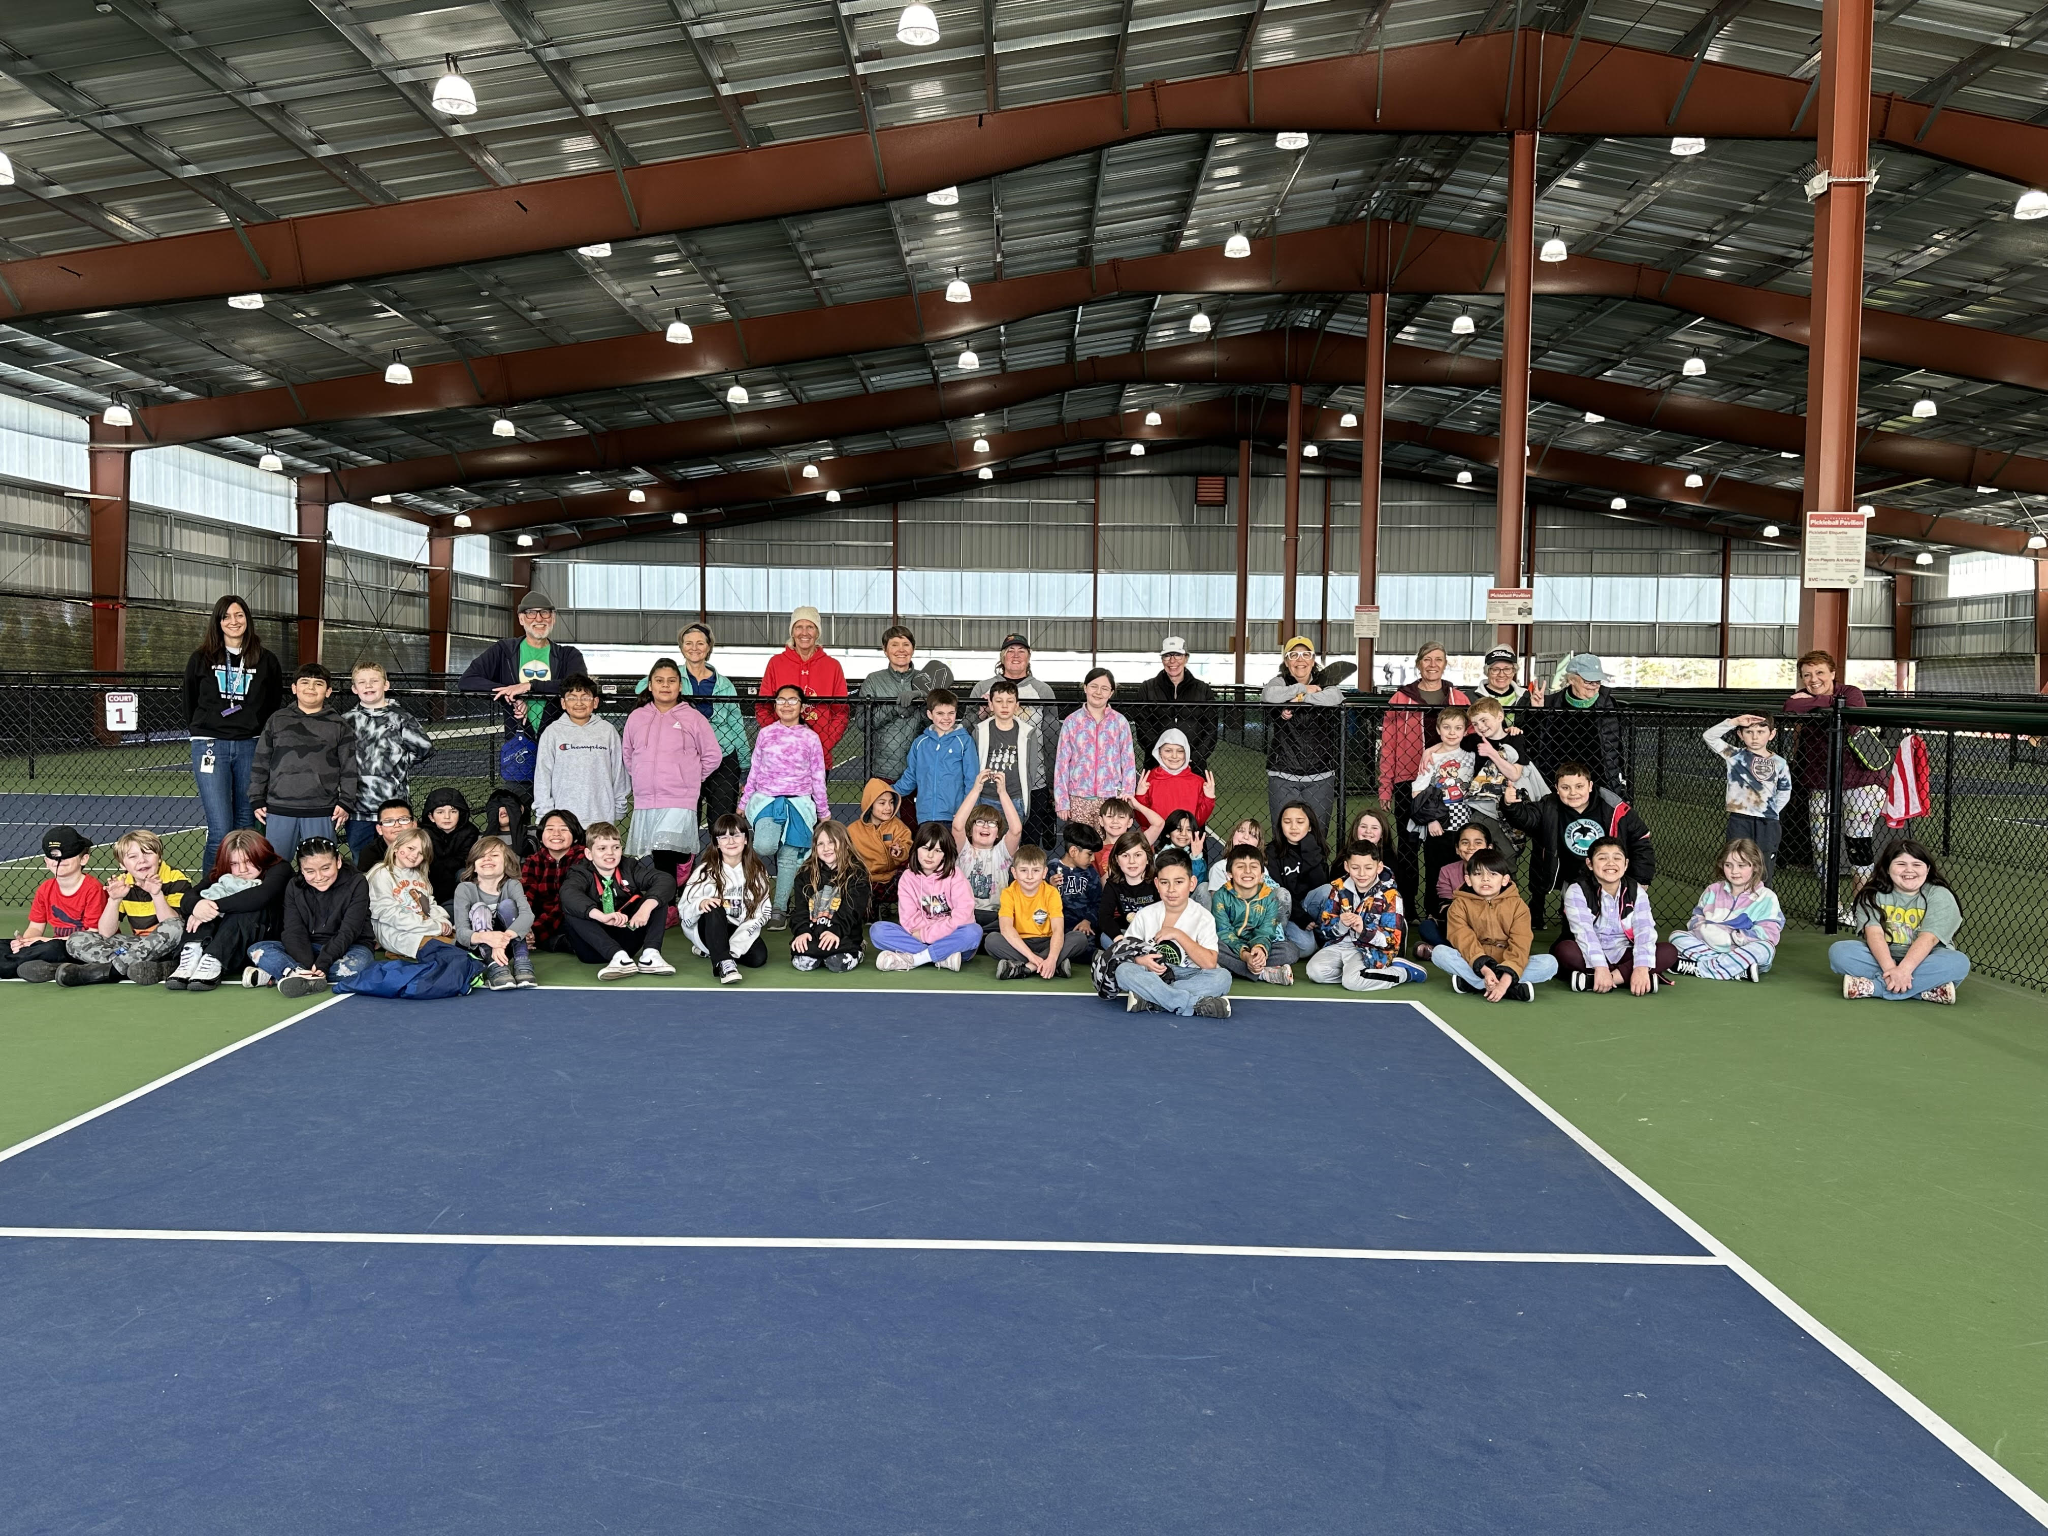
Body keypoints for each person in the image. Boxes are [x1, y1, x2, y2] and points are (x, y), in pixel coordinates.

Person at [182, 594, 285, 878]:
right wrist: (206, 728)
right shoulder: (200, 658)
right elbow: (190, 701)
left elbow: (273, 702)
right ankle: (208, 895)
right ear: (218, 622)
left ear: (247, 619)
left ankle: (244, 889)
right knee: (220, 828)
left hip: (251, 746)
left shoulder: (266, 660)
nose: (233, 621)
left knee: (246, 824)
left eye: (239, 615)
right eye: (226, 616)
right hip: (210, 745)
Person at [1785, 650, 1888, 907]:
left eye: (1819, 672)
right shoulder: (1802, 697)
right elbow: (1790, 706)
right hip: (1820, 781)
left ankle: (1860, 905)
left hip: (1862, 780)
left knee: (1858, 841)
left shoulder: (1851, 692)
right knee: (1821, 846)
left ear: (1832, 673)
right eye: (1807, 675)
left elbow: (1853, 717)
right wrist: (1828, 703)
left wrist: (1818, 703)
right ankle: (1831, 906)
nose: (1813, 679)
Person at [458, 589, 589, 786]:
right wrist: (511, 695)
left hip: (561, 746)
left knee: (561, 812)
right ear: (521, 619)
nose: (538, 618)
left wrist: (530, 686)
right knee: (515, 808)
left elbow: (577, 686)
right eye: (531, 613)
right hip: (519, 744)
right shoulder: (504, 651)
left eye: (545, 613)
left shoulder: (568, 655)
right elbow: (467, 681)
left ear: (552, 618)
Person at [1503, 762, 1654, 928]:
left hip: (1606, 875)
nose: (1573, 793)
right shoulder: (1549, 805)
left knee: (1614, 925)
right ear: (1557, 788)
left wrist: (1641, 878)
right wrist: (1511, 806)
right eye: (1566, 788)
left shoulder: (1612, 805)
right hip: (1571, 876)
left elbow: (1640, 839)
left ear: (1590, 786)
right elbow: (1527, 819)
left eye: (1579, 786)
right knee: (1574, 931)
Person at [1378, 640, 1470, 914]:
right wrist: (1386, 787)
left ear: (1445, 664)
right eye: (1427, 659)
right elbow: (1389, 744)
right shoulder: (1400, 698)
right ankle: (1407, 908)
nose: (1432, 665)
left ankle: (1440, 905)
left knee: (1443, 848)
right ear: (1419, 664)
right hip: (1410, 781)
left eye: (1438, 659)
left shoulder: (1459, 699)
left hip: (1449, 785)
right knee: (1409, 848)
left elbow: (1474, 738)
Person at [1829, 839, 1969, 1004]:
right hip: (1882, 957)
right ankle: (1925, 990)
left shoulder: (1939, 895)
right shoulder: (1872, 895)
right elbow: (1874, 935)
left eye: (1917, 864)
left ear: (1928, 869)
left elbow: (1929, 938)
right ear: (1888, 868)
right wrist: (1891, 969)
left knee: (1958, 962)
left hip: (1926, 958)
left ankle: (1873, 987)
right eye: (1901, 864)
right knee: (1840, 952)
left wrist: (1904, 970)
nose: (1909, 870)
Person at [621, 658, 723, 881]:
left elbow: (713, 755)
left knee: (664, 851)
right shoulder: (637, 717)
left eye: (671, 681)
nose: (665, 685)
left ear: (680, 686)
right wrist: (641, 774)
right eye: (659, 680)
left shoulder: (693, 718)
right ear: (650, 685)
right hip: (647, 798)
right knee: (661, 853)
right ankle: (674, 889)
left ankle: (666, 906)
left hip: (679, 798)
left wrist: (690, 778)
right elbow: (628, 753)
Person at [53, 829, 193, 987]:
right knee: (76, 939)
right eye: (133, 857)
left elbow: (173, 926)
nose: (142, 860)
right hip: (139, 946)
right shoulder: (123, 882)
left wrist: (156, 894)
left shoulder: (176, 879)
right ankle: (147, 966)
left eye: (148, 853)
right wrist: (114, 900)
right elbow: (106, 932)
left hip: (172, 947)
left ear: (159, 857)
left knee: (175, 926)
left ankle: (107, 971)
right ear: (122, 864)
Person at [249, 662, 358, 863]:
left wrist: (346, 802)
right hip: (279, 808)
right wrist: (256, 797)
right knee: (274, 869)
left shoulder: (339, 724)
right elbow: (261, 760)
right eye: (305, 682)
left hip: (321, 809)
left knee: (320, 868)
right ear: (294, 688)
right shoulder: (277, 720)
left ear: (328, 691)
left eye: (318, 684)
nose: (311, 688)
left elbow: (349, 767)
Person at [742, 684, 832, 922]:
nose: (787, 705)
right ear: (775, 705)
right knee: (764, 846)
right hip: (767, 802)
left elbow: (817, 776)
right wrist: (743, 802)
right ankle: (752, 896)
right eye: (781, 700)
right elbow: (755, 771)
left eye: (793, 700)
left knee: (788, 857)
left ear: (802, 706)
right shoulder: (765, 733)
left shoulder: (811, 737)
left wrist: (823, 811)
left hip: (799, 805)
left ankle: (779, 908)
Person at [246, 836, 374, 998]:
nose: (319, 877)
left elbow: (349, 931)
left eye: (326, 868)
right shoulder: (294, 886)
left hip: (350, 947)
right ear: (301, 869)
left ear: (338, 862)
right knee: (257, 949)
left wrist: (323, 963)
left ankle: (281, 972)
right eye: (310, 871)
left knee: (357, 967)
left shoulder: (357, 883)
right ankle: (298, 973)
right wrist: (306, 964)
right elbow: (293, 930)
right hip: (309, 947)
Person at [164, 829, 289, 993]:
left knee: (241, 907)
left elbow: (261, 896)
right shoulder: (223, 872)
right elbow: (188, 898)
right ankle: (192, 954)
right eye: (234, 864)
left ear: (262, 856)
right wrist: (198, 907)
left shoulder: (280, 868)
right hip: (227, 938)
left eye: (249, 861)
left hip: (262, 937)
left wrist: (212, 906)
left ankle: (214, 959)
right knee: (201, 908)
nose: (242, 869)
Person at [1112, 848, 1232, 1018]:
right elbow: (1126, 953)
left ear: (1192, 883)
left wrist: (1178, 934)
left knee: (1222, 978)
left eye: (1178, 882)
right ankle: (1191, 1004)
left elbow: (1209, 963)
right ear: (1156, 884)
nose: (1171, 889)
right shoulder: (1145, 915)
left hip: (1189, 974)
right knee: (1123, 971)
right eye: (1164, 882)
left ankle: (1153, 999)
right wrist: (1141, 960)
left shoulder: (1204, 917)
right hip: (1152, 974)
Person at [970, 633, 1062, 850]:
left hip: (1033, 780)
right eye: (1010, 650)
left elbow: (1051, 736)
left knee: (1028, 843)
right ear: (1002, 657)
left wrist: (1050, 780)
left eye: (1021, 651)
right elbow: (967, 728)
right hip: (990, 783)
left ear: (1029, 657)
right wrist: (982, 711)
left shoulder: (1043, 690)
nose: (1015, 655)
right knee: (989, 841)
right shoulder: (983, 687)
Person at [1554, 836, 1677, 994]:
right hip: (1587, 951)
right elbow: (1584, 933)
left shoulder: (1636, 891)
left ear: (1625, 864)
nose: (1610, 863)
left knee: (1668, 951)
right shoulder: (1577, 890)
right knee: (1564, 950)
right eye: (1602, 858)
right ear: (1590, 864)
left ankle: (1596, 980)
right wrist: (1600, 966)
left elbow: (1644, 930)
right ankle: (1630, 977)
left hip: (1624, 952)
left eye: (1617, 858)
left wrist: (1640, 967)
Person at [558, 820, 679, 980]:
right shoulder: (580, 872)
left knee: (656, 899)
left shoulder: (629, 867)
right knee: (572, 908)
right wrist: (601, 916)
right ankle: (617, 958)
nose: (610, 853)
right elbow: (568, 893)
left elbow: (665, 880)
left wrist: (645, 909)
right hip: (593, 947)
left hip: (626, 938)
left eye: (615, 848)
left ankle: (650, 955)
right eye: (602, 848)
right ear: (589, 854)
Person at [341, 662, 434, 866]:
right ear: (354, 688)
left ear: (386, 685)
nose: (368, 686)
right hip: (358, 808)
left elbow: (425, 747)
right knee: (362, 859)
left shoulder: (401, 718)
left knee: (402, 859)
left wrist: (398, 763)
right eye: (362, 682)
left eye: (374, 680)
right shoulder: (346, 721)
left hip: (394, 809)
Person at [1433, 847, 1553, 1001]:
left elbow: (1520, 943)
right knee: (1440, 953)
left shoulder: (1518, 906)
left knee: (1550, 964)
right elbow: (1462, 939)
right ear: (1468, 879)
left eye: (1493, 874)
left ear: (1505, 880)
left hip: (1507, 961)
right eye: (1477, 874)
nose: (1485, 879)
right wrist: (1485, 970)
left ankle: (1474, 984)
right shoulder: (1459, 905)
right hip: (1475, 962)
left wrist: (1504, 982)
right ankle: (1510, 989)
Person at [1305, 840, 1422, 992]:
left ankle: (1404, 973)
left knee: (1352, 983)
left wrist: (1364, 930)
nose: (1361, 874)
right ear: (1347, 866)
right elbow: (1325, 931)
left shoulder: (1391, 896)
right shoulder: (1337, 888)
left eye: (1368, 868)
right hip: (1341, 945)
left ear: (1379, 867)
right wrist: (1341, 923)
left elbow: (1391, 942)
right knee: (1315, 972)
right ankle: (1357, 974)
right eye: (1355, 867)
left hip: (1371, 949)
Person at [1263, 637, 1347, 838]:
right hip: (1283, 772)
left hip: (1321, 773)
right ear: (1286, 661)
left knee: (1317, 836)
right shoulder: (1280, 681)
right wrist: (1301, 689)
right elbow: (1268, 695)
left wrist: (1298, 699)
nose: (1300, 660)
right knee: (1284, 836)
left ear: (1313, 659)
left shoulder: (1324, 681)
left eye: (1305, 655)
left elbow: (1335, 698)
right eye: (1294, 655)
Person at [1670, 838, 1784, 982]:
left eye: (1741, 865)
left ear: (1755, 866)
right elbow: (1695, 920)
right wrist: (1707, 932)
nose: (1734, 871)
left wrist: (1734, 937)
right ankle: (1737, 971)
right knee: (1676, 937)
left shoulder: (1767, 897)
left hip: (1743, 949)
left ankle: (1699, 968)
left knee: (1765, 949)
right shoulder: (1712, 890)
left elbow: (1769, 933)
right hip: (1710, 945)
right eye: (1728, 865)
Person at [872, 822, 981, 971]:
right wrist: (924, 935)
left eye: (937, 851)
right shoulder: (907, 878)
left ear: (945, 855)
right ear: (916, 849)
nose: (930, 855)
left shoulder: (955, 876)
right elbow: (908, 920)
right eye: (925, 848)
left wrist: (927, 935)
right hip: (939, 943)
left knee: (973, 932)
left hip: (947, 936)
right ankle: (942, 958)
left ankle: (917, 958)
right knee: (878, 931)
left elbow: (963, 915)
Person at [3, 826, 107, 982]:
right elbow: (35, 927)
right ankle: (27, 961)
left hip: (82, 948)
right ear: (46, 861)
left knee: (52, 948)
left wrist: (43, 941)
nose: (59, 861)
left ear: (83, 859)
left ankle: (9, 967)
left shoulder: (93, 888)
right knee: (5, 944)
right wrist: (24, 942)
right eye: (53, 857)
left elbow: (92, 935)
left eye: (66, 856)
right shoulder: (45, 888)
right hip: (52, 944)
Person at [681, 815, 776, 984]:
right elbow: (684, 909)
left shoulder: (757, 872)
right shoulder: (705, 871)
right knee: (714, 906)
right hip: (709, 925)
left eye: (736, 835)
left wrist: (737, 946)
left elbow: (762, 913)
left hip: (737, 927)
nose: (730, 841)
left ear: (746, 839)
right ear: (717, 843)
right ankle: (723, 963)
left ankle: (714, 950)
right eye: (723, 837)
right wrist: (700, 904)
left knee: (758, 958)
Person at [863, 625, 954, 794]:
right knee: (880, 818)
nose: (901, 650)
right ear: (885, 650)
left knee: (915, 820)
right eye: (894, 644)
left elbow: (939, 725)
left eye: (906, 644)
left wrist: (922, 699)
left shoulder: (927, 680)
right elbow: (863, 722)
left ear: (913, 648)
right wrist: (894, 709)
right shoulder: (874, 680)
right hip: (883, 769)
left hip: (919, 767)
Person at [534, 675, 628, 835]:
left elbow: (619, 771)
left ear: (595, 702)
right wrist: (545, 813)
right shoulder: (552, 732)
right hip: (564, 820)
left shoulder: (607, 731)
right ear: (563, 703)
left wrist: (619, 806)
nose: (579, 703)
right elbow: (543, 775)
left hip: (601, 817)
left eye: (585, 697)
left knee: (598, 859)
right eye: (572, 698)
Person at [756, 605, 848, 767]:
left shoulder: (833, 666)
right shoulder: (776, 663)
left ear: (817, 632)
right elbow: (763, 707)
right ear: (792, 632)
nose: (804, 633)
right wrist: (779, 740)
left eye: (810, 627)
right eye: (799, 627)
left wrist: (822, 745)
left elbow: (841, 713)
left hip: (817, 757)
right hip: (780, 757)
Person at [678, 623, 751, 826]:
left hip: (723, 759)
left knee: (721, 824)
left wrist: (745, 767)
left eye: (700, 643)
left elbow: (737, 726)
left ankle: (718, 858)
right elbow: (644, 689)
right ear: (681, 647)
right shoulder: (671, 677)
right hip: (685, 759)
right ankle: (686, 860)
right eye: (689, 643)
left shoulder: (724, 684)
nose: (694, 647)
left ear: (709, 647)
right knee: (684, 822)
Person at [1704, 713, 1792, 878]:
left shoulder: (1780, 763)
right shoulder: (1734, 755)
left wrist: (1771, 811)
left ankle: (1760, 901)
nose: (1755, 737)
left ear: (1772, 734)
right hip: (1740, 820)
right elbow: (1709, 736)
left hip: (1768, 822)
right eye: (1749, 732)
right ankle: (1737, 901)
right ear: (1740, 734)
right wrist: (1734, 722)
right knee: (1737, 863)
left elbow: (1784, 791)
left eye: (1761, 731)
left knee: (1763, 868)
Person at [1053, 667, 1137, 832]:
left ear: (1111, 692)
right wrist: (1062, 801)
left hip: (1111, 799)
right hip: (1078, 798)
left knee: (1107, 849)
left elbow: (1128, 762)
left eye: (1104, 688)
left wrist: (1127, 794)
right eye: (1093, 686)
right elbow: (1062, 763)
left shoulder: (1120, 722)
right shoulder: (1072, 721)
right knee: (1081, 849)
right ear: (1085, 688)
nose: (1098, 692)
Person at [1408, 706, 1477, 902]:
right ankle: (1434, 912)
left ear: (1465, 731)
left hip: (1465, 824)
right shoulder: (1431, 758)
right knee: (1436, 871)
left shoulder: (1471, 755)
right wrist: (1431, 820)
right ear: (1438, 730)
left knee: (1466, 870)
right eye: (1447, 727)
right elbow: (1418, 791)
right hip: (1440, 825)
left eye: (1457, 728)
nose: (1452, 732)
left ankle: (1464, 909)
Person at [988, 845, 1088, 980]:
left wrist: (1052, 958)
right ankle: (1053, 965)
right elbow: (1006, 929)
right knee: (992, 940)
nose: (1029, 876)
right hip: (1020, 942)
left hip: (1047, 942)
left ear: (1044, 872)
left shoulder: (1051, 893)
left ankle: (1027, 968)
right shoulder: (1008, 893)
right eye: (1023, 870)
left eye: (1036, 870)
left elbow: (1058, 930)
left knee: (1079, 938)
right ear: (1014, 872)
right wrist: (1032, 956)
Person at [1536, 653, 1627, 796]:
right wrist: (1537, 712)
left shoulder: (1609, 705)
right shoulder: (1551, 703)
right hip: (1558, 781)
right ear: (1571, 680)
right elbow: (1536, 741)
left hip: (1599, 781)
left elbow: (1616, 747)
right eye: (1588, 681)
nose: (1593, 686)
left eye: (1597, 681)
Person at [452, 835, 537, 990]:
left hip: (506, 947)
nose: (487, 859)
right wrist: (488, 938)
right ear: (474, 866)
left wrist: (502, 940)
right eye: (481, 856)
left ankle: (521, 960)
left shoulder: (512, 885)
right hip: (477, 949)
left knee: (508, 905)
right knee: (480, 908)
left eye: (495, 855)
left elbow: (527, 915)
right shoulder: (465, 889)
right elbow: (462, 933)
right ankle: (494, 965)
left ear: (506, 863)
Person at [787, 821, 870, 974]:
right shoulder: (805, 874)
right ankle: (819, 950)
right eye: (820, 844)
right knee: (803, 962)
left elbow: (851, 911)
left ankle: (857, 950)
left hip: (842, 933)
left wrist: (835, 931)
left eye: (832, 842)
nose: (826, 848)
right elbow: (800, 909)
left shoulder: (856, 874)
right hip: (814, 933)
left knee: (837, 963)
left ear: (844, 843)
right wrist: (802, 931)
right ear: (814, 847)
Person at [1211, 844, 1298, 985]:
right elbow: (1224, 932)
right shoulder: (1221, 896)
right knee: (1213, 947)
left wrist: (1259, 949)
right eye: (1240, 867)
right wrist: (1245, 955)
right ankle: (1263, 973)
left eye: (1253, 866)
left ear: (1262, 875)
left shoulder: (1270, 897)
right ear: (1229, 874)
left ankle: (1238, 967)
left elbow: (1266, 930)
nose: (1247, 871)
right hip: (1230, 945)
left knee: (1290, 951)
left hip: (1258, 945)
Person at [1130, 636, 1220, 772]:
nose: (1172, 661)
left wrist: (1193, 758)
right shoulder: (1147, 688)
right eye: (1167, 656)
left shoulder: (1203, 690)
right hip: (1155, 765)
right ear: (1162, 660)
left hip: (1194, 767)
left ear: (1186, 658)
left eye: (1178, 655)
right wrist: (1161, 755)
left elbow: (1210, 730)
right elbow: (1143, 727)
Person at [894, 687, 980, 825]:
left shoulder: (964, 741)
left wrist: (969, 811)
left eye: (951, 713)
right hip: (925, 816)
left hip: (955, 817)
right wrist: (889, 792)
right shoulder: (920, 743)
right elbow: (911, 776)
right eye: (940, 713)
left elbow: (972, 780)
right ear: (930, 714)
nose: (946, 718)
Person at [368, 827, 456, 960]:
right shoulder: (382, 874)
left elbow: (429, 905)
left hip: (422, 927)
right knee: (448, 947)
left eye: (421, 853)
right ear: (396, 847)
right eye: (411, 848)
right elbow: (389, 914)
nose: (415, 855)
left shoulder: (418, 876)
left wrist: (442, 921)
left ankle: (400, 954)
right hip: (395, 930)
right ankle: (398, 951)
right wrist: (434, 926)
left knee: (459, 939)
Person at [1414, 823, 1499, 961]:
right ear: (1457, 849)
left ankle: (1444, 953)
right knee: (1427, 927)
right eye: (1465, 842)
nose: (1471, 847)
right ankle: (1469, 953)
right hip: (1458, 925)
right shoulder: (1447, 871)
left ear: (1489, 848)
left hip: (1490, 928)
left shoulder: (1498, 871)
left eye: (1478, 842)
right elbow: (1445, 908)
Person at [971, 679, 1042, 841]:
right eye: (998, 701)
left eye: (1010, 701)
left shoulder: (1028, 733)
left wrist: (1023, 795)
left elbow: (1031, 768)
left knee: (1010, 847)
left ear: (1017, 705)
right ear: (990, 703)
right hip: (986, 797)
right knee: (983, 844)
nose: (1004, 706)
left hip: (1014, 798)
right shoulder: (980, 731)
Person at [1266, 801, 1328, 959]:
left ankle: (1324, 934)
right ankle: (1304, 936)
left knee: (1327, 891)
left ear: (1310, 826)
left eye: (1300, 822)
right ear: (1280, 825)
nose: (1293, 827)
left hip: (1310, 903)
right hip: (1290, 910)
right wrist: (1300, 917)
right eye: (1287, 822)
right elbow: (1277, 891)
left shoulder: (1315, 848)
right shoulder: (1272, 852)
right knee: (1306, 949)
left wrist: (1308, 847)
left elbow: (1319, 884)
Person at [954, 786, 1020, 933]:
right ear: (970, 830)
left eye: (992, 823)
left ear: (998, 833)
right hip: (966, 914)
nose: (985, 826)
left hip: (995, 916)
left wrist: (1002, 792)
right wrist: (976, 789)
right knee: (954, 925)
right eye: (979, 822)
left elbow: (1016, 830)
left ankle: (984, 939)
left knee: (1011, 924)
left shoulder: (1002, 852)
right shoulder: (963, 850)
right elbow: (957, 826)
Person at [520, 808, 586, 954]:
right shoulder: (534, 860)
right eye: (550, 829)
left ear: (575, 836)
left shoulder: (583, 859)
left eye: (564, 829)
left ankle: (550, 941)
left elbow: (565, 903)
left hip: (571, 915)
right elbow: (525, 896)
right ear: (541, 834)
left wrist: (536, 931)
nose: (556, 834)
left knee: (574, 925)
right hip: (541, 918)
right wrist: (524, 928)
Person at [850, 779, 913, 918]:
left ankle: (907, 911)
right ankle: (870, 909)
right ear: (870, 805)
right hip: (868, 880)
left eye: (891, 802)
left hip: (893, 879)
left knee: (910, 870)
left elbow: (906, 843)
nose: (888, 808)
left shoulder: (897, 826)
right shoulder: (853, 831)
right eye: (882, 803)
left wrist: (900, 850)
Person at [1135, 728, 1216, 830]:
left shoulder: (1198, 782)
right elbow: (1143, 822)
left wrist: (1209, 799)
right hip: (1155, 841)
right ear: (1159, 752)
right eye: (1168, 750)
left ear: (1186, 752)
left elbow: (1197, 822)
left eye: (1180, 751)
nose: (1174, 756)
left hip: (1184, 840)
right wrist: (1140, 797)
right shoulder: (1149, 781)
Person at [1096, 831, 1160, 946]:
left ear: (1148, 858)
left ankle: (1128, 957)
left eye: (1138, 855)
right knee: (1105, 937)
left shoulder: (1157, 882)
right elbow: (1104, 917)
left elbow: (1167, 914)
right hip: (1126, 934)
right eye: (1125, 855)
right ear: (1116, 859)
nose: (1132, 861)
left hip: (1154, 934)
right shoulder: (1113, 884)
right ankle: (1130, 955)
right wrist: (1119, 939)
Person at [421, 787, 478, 906]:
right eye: (440, 812)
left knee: (464, 872)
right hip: (430, 879)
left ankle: (466, 904)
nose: (447, 817)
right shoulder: (424, 833)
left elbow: (463, 859)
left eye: (453, 811)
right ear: (431, 816)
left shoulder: (470, 832)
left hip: (456, 881)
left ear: (460, 814)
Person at [1050, 822, 1105, 946]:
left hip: (1082, 928)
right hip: (1054, 927)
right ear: (1073, 851)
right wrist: (1050, 888)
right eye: (1089, 854)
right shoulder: (1051, 870)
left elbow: (1097, 903)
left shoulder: (1091, 873)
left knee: (1084, 943)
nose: (1092, 859)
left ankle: (1062, 955)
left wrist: (1088, 921)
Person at [1090, 797, 1162, 874]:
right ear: (1101, 821)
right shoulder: (1095, 850)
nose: (1115, 821)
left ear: (1129, 822)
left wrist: (1137, 805)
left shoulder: (1137, 842)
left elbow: (1159, 824)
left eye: (1121, 817)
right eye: (1110, 816)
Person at [1475, 645, 1539, 731]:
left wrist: (1538, 710)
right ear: (1487, 671)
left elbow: (1537, 732)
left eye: (1507, 669)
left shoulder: (1527, 696)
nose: (1501, 674)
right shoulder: (1471, 697)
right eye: (1495, 669)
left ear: (1513, 671)